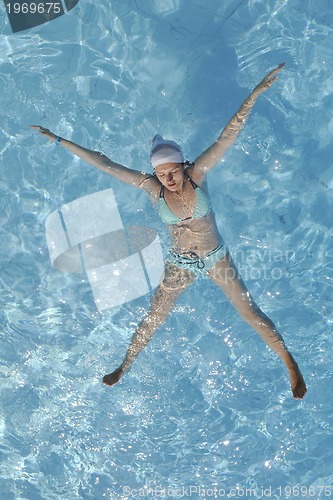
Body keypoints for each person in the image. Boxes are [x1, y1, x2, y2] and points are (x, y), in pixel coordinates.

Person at [32, 63, 307, 399]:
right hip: (180, 261)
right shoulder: (152, 189)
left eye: (171, 171)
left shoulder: (197, 174)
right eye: (161, 174)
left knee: (247, 310)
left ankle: (289, 362)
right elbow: (104, 163)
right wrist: (59, 140)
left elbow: (228, 135)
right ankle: (124, 364)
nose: (168, 178)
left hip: (214, 257)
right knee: (155, 316)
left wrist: (255, 93)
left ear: (181, 163)